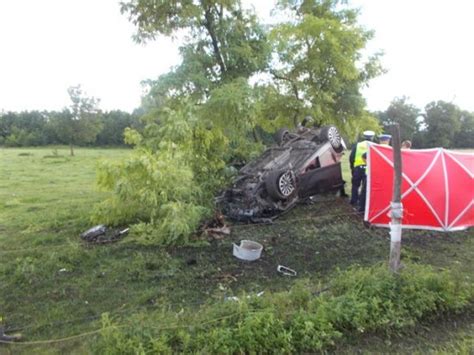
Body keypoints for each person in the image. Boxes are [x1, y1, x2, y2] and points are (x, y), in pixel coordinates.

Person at [349, 130, 374, 210]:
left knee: (355, 185)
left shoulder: (358, 145)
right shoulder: (375, 145)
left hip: (358, 168)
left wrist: (352, 167)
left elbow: (351, 157)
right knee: (366, 187)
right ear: (372, 138)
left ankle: (354, 200)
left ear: (364, 137)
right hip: (369, 169)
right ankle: (364, 202)